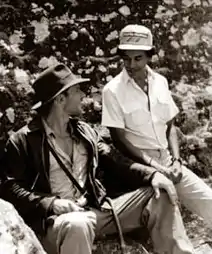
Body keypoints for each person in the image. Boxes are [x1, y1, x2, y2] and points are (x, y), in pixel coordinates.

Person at [0, 63, 194, 254]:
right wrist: (51, 204)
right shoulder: (22, 140)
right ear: (60, 99)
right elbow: (11, 189)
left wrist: (152, 175)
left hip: (94, 212)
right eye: (77, 91)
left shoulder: (85, 132)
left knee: (160, 192)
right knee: (78, 224)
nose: (83, 96)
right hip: (56, 223)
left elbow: (117, 161)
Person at [102, 24, 212, 231]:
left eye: (138, 58)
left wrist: (177, 161)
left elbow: (170, 125)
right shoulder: (112, 91)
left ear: (149, 56)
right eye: (126, 58)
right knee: (170, 226)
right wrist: (155, 166)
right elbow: (119, 139)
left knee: (209, 202)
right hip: (141, 170)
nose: (131, 64)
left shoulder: (160, 81)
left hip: (169, 162)